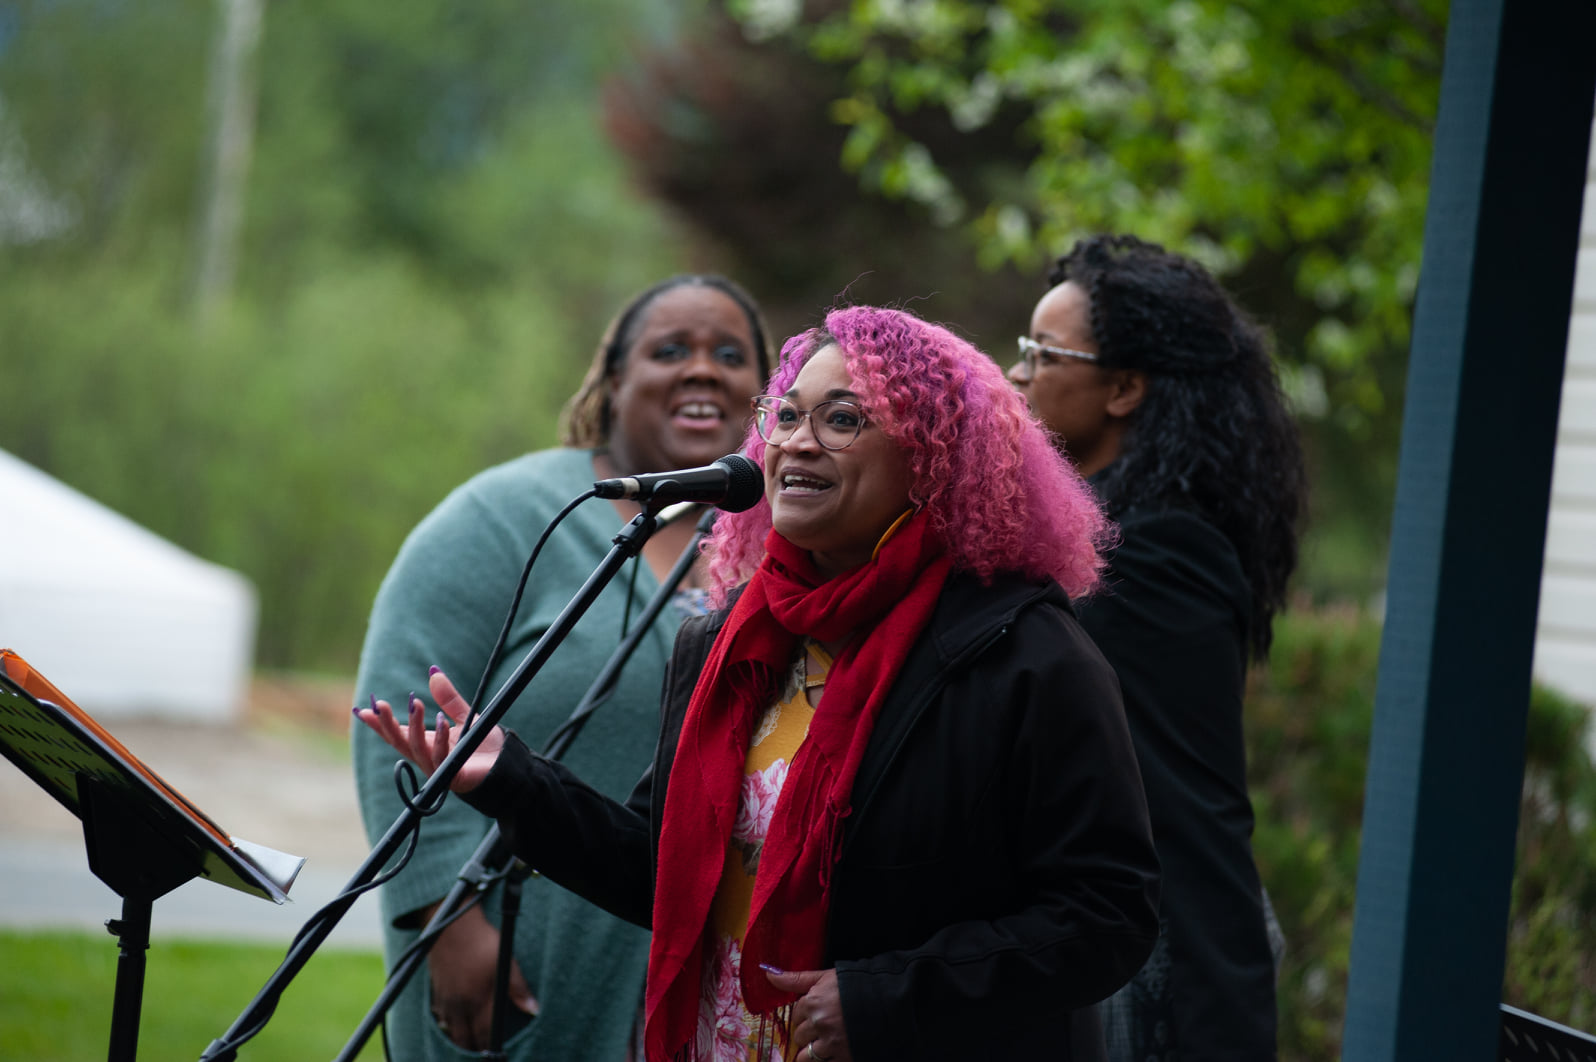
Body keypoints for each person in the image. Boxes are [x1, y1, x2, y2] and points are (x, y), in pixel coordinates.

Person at [358, 304, 1162, 1062]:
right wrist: (509, 779)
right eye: (786, 415)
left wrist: (888, 997)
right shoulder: (733, 637)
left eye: (841, 419)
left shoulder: (1025, 653)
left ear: (933, 460)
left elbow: (1107, 916)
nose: (798, 443)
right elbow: (665, 871)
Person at [352, 274, 772, 1062]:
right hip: (514, 945)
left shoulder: (785, 544)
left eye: (730, 355)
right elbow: (396, 712)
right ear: (614, 380)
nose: (704, 370)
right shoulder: (510, 517)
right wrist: (437, 916)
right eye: (670, 350)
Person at [1008, 234, 1307, 1062]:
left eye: (1042, 352)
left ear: (1125, 388)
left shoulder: (1154, 552)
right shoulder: (1088, 535)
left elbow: (1192, 808)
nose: (1016, 372)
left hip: (1146, 980)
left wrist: (1223, 1033)